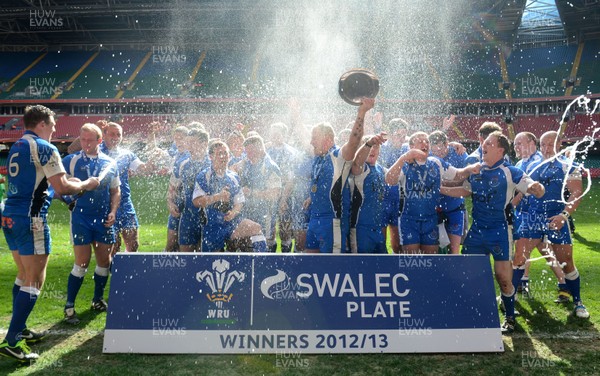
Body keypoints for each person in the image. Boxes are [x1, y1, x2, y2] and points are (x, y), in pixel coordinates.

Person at [0, 105, 99, 362]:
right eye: (53, 124)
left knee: (23, 274)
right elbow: (62, 185)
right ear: (42, 123)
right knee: (35, 279)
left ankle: (19, 328)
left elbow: (44, 187)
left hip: (10, 216)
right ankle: (11, 341)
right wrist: (87, 183)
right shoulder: (45, 147)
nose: (55, 129)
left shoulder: (17, 146)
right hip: (30, 219)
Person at [441, 131, 545, 334]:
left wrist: (536, 187)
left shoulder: (510, 171)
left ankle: (510, 318)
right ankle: (471, 313)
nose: (483, 146)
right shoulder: (477, 170)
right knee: (468, 273)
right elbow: (464, 190)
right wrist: (440, 189)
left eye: (488, 143)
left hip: (499, 231)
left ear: (500, 150)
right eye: (483, 143)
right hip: (477, 231)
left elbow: (530, 185)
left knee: (503, 278)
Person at [515, 131, 589, 319]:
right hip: (532, 218)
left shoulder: (569, 166)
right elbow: (521, 193)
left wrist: (564, 215)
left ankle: (578, 302)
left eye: (551, 144)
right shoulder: (531, 165)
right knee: (519, 258)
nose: (547, 149)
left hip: (556, 219)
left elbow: (576, 192)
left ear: (560, 145)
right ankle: (510, 297)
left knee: (567, 263)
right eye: (544, 145)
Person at [60, 123, 121, 324]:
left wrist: (113, 212)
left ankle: (97, 299)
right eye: (83, 139)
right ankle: (69, 306)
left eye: (90, 140)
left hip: (103, 218)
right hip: (81, 219)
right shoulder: (70, 161)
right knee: (82, 263)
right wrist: (70, 199)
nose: (85, 143)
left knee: (104, 262)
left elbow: (115, 191)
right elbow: (58, 189)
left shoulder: (110, 163)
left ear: (99, 141)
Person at [385, 132, 476, 254]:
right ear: (411, 147)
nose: (425, 144)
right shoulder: (405, 164)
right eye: (420, 141)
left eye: (427, 141)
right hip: (409, 220)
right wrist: (403, 158)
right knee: (412, 260)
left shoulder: (436, 162)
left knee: (430, 260)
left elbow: (457, 175)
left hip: (430, 220)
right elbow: (389, 180)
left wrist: (471, 169)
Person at [304, 98, 374, 253]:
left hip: (332, 222)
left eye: (314, 138)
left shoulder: (338, 156)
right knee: (310, 264)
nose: (311, 142)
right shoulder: (318, 158)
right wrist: (312, 197)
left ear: (327, 139)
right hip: (315, 219)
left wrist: (361, 113)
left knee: (333, 268)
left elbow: (354, 141)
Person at [511, 132, 568, 301]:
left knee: (525, 250)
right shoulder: (521, 163)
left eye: (520, 143)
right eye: (515, 144)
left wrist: (511, 204)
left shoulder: (538, 162)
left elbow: (525, 191)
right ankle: (563, 284)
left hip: (534, 215)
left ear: (532, 143)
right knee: (542, 250)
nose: (517, 147)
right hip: (524, 214)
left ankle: (521, 284)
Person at [192, 141, 268, 252]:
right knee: (212, 261)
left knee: (255, 227)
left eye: (226, 153)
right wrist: (217, 197)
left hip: (231, 222)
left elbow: (239, 201)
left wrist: (233, 213)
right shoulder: (204, 176)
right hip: (212, 226)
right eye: (219, 153)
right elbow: (196, 201)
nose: (223, 157)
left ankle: (260, 263)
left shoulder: (233, 177)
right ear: (211, 156)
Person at [101, 122, 156, 254]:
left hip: (125, 203)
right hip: (105, 204)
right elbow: (72, 149)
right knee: (113, 246)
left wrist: (152, 161)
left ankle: (128, 269)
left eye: (118, 134)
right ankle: (115, 272)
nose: (115, 137)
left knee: (133, 244)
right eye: (112, 134)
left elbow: (144, 170)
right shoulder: (97, 152)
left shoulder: (127, 154)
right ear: (104, 135)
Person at [239, 135, 282, 252]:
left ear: (259, 149)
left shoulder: (270, 166)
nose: (248, 155)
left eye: (250, 151)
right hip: (249, 212)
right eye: (246, 151)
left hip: (265, 214)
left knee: (265, 247)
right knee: (249, 246)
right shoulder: (248, 163)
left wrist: (252, 192)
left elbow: (275, 194)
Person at [429, 130, 468, 254]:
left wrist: (443, 185)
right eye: (434, 151)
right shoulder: (429, 157)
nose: (437, 154)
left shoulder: (459, 154)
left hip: (455, 206)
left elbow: (466, 181)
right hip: (434, 209)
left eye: (440, 150)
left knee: (454, 248)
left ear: (447, 144)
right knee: (434, 247)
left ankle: (453, 273)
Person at [350, 133, 389, 253]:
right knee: (360, 268)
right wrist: (369, 143)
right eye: (369, 147)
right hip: (360, 229)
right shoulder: (359, 169)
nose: (372, 150)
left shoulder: (381, 170)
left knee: (383, 267)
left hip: (377, 229)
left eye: (376, 147)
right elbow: (357, 162)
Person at [176, 129, 211, 252]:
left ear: (204, 143)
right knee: (185, 256)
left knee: (205, 257)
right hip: (187, 216)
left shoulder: (212, 164)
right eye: (188, 143)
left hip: (208, 216)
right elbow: (176, 188)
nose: (189, 146)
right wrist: (172, 202)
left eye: (193, 142)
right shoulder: (183, 164)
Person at [266, 122, 299, 253]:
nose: (274, 136)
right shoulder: (266, 151)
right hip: (269, 195)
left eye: (277, 133)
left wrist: (284, 199)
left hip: (287, 195)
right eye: (272, 133)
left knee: (285, 228)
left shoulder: (291, 152)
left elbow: (291, 179)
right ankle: (269, 256)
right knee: (269, 228)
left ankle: (285, 257)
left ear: (284, 135)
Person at [378, 118, 409, 253]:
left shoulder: (407, 149)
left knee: (398, 245)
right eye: (398, 135)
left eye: (404, 135)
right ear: (390, 134)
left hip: (399, 200)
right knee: (381, 242)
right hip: (382, 199)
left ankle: (398, 271)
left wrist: (455, 144)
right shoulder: (380, 149)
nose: (401, 139)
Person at [164, 125, 190, 252]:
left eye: (181, 138)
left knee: (189, 247)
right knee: (171, 243)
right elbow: (172, 184)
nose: (178, 142)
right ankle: (165, 271)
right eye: (176, 139)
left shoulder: (195, 156)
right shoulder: (178, 158)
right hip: (178, 205)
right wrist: (169, 202)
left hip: (193, 209)